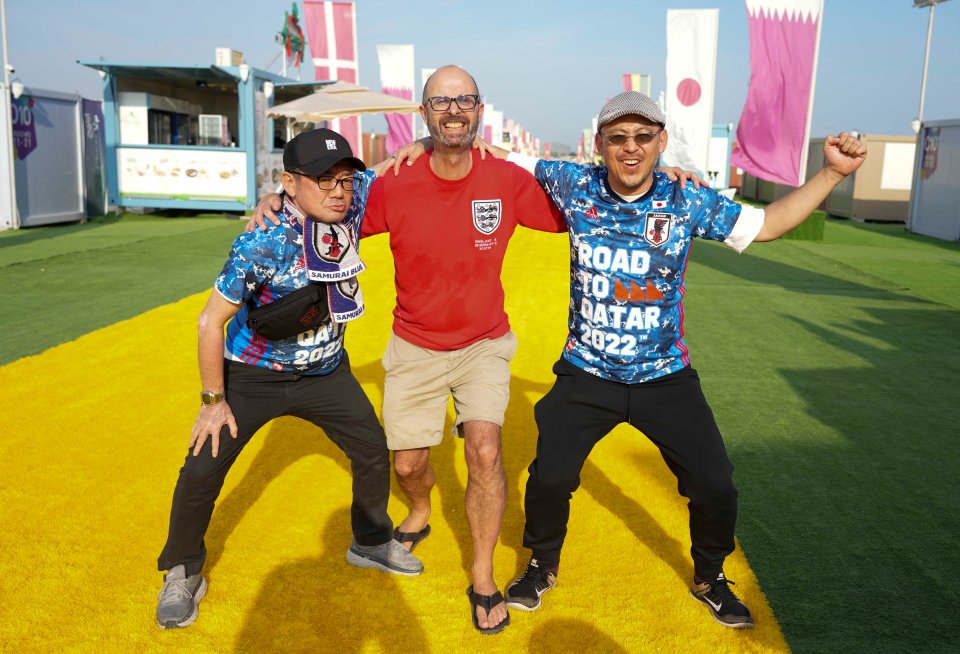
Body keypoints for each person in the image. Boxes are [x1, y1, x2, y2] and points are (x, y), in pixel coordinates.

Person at [252, 68, 702, 635]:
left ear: (480, 109)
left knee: (484, 450)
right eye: (442, 101)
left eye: (464, 100)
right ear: (425, 115)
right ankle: (420, 507)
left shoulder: (507, 179)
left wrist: (666, 177)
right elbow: (326, 202)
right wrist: (279, 197)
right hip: (414, 343)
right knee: (409, 464)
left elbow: (597, 194)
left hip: (484, 343)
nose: (454, 110)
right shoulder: (393, 181)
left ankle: (483, 574)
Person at [467, 91, 867, 629]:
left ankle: (709, 576)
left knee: (716, 485)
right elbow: (486, 152)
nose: (630, 149)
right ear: (601, 144)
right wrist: (429, 137)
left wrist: (832, 174)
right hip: (587, 373)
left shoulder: (686, 200)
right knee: (548, 478)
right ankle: (542, 563)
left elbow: (766, 224)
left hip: (666, 378)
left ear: (660, 141)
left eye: (642, 137)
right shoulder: (573, 182)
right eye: (618, 138)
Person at [155, 128, 423, 630]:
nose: (338, 190)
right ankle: (182, 570)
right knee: (201, 470)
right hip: (253, 375)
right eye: (323, 180)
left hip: (325, 371)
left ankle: (369, 541)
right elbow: (209, 321)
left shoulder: (349, 206)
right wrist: (214, 400)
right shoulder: (260, 242)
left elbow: (396, 162)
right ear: (290, 184)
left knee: (369, 448)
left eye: (345, 179)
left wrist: (430, 137)